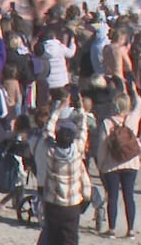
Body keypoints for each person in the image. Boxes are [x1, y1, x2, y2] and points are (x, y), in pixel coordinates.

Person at [35, 102, 91, 245]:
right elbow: (83, 130)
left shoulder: (51, 152)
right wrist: (81, 110)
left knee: (52, 237)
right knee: (70, 239)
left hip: (53, 203)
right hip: (72, 205)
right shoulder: (77, 151)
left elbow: (47, 130)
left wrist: (57, 110)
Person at [96, 80, 141, 239]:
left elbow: (102, 147)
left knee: (113, 196)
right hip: (131, 162)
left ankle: (112, 229)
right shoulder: (132, 119)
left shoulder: (107, 123)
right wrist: (134, 90)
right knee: (129, 196)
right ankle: (130, 230)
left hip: (112, 164)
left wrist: (101, 165)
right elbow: (140, 106)